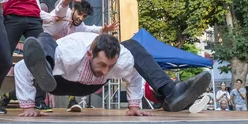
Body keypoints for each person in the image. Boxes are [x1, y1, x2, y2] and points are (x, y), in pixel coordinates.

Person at [14, 32, 211, 117]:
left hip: (89, 86)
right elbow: (21, 68)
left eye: (110, 65)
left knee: (132, 46)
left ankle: (171, 92)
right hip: (59, 82)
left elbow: (134, 76)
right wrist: (28, 105)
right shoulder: (71, 51)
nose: (106, 70)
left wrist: (134, 105)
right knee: (46, 38)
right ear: (90, 53)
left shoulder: (122, 59)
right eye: (101, 64)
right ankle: (44, 67)